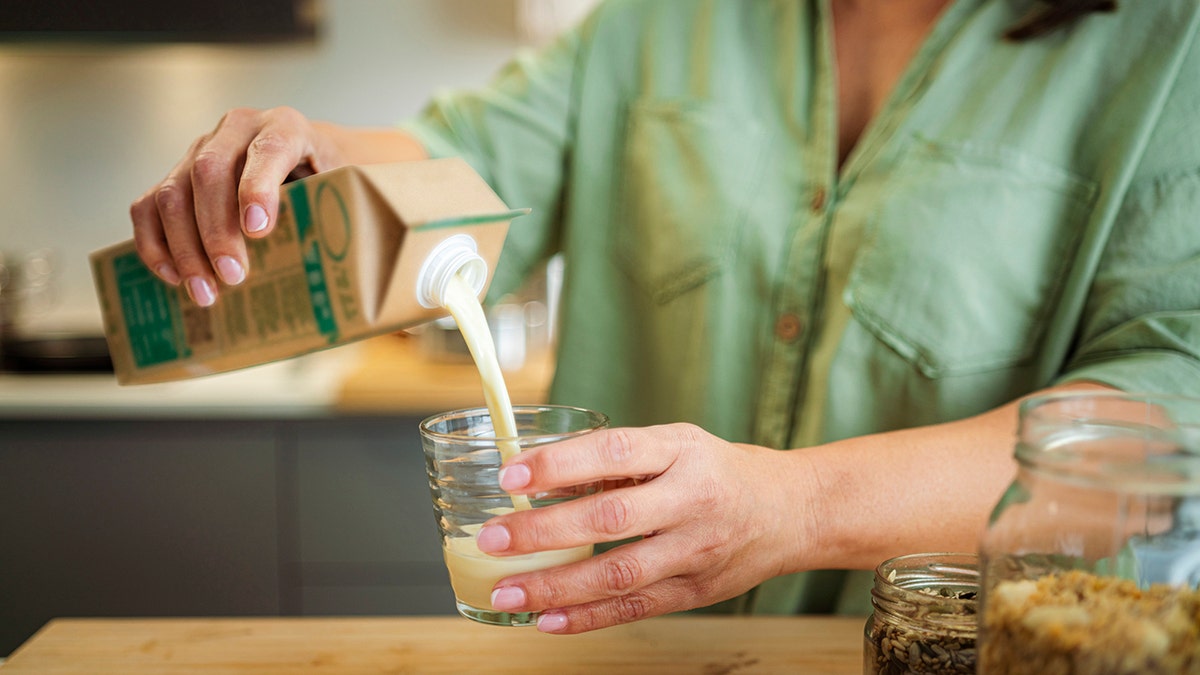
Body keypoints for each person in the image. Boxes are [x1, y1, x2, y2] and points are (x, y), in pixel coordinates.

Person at [130, 0, 1200, 634]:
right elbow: (469, 174)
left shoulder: (1164, 45)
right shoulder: (658, 20)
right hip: (632, 651)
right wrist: (322, 165)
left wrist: (796, 505)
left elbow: (1169, 396)